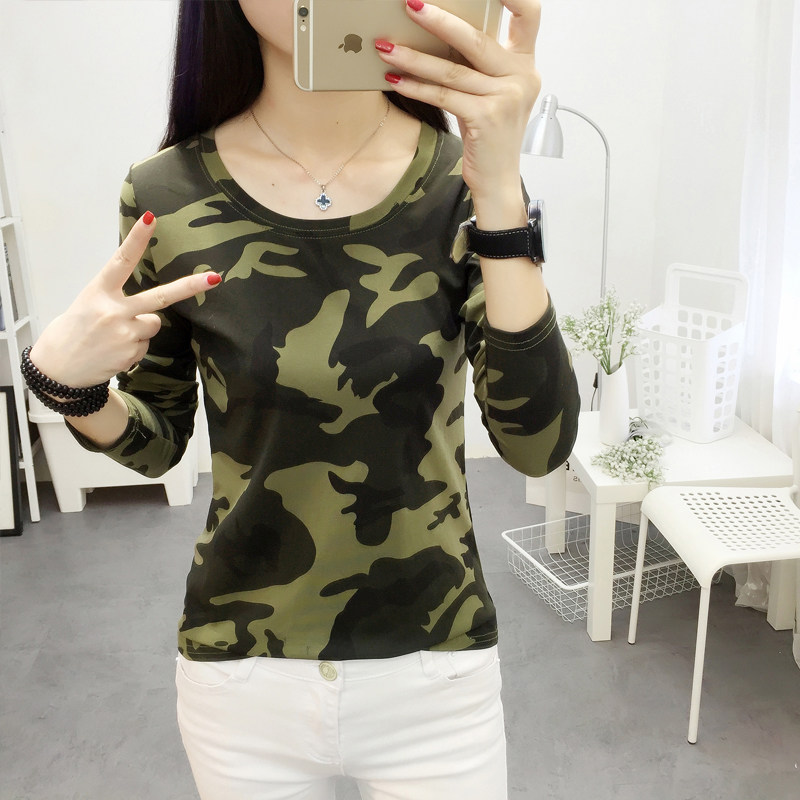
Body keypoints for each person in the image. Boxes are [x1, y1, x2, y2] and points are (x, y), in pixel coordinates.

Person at [25, 0, 579, 797]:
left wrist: (499, 187)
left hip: (434, 666)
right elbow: (158, 443)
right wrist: (71, 389)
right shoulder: (166, 192)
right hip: (243, 673)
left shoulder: (460, 185)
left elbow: (538, 445)